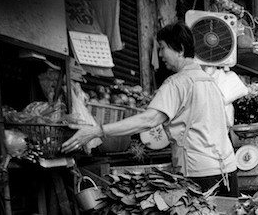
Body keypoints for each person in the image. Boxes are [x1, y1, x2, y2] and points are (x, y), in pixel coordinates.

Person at [61, 23, 238, 196]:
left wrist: (98, 131)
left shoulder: (177, 83)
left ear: (181, 49)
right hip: (228, 169)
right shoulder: (210, 82)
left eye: (162, 48)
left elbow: (149, 119)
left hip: (199, 172)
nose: (160, 55)